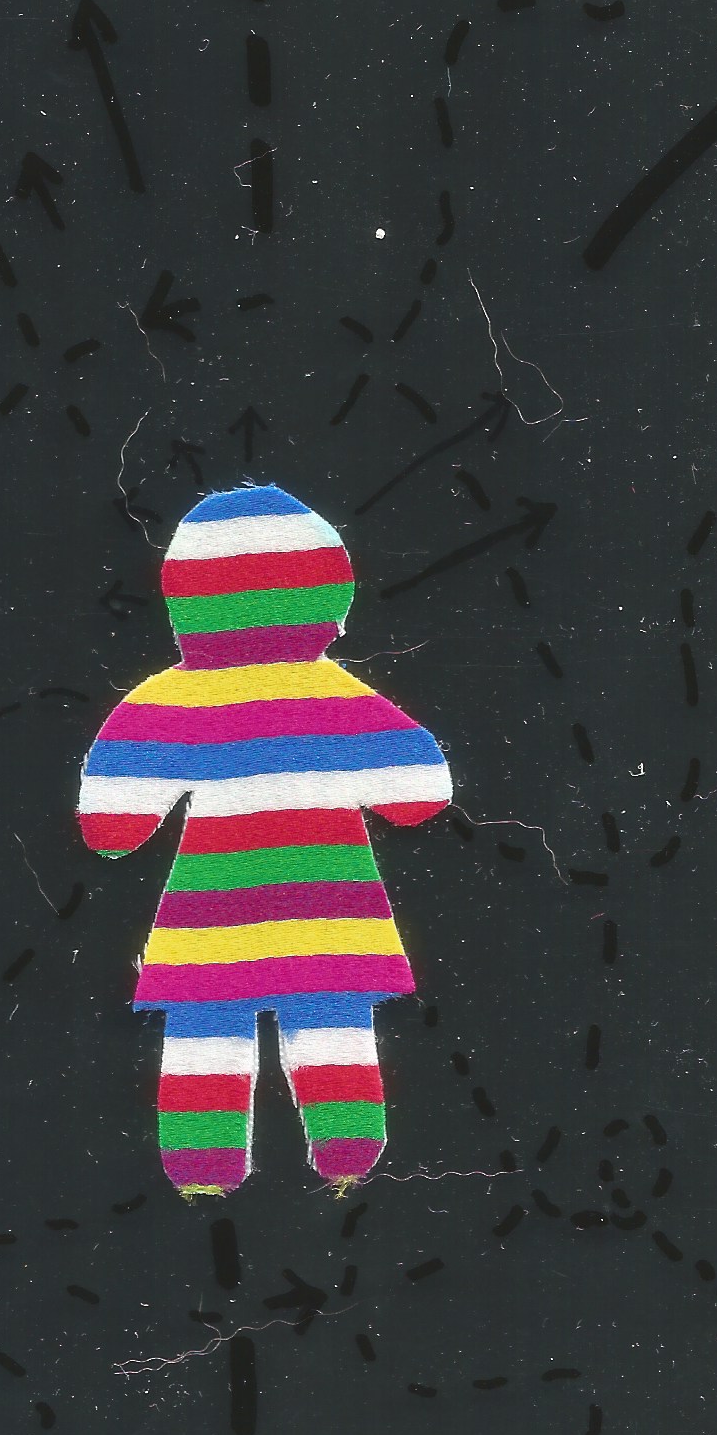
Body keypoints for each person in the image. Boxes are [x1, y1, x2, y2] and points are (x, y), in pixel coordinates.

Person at [78, 484, 453, 1195]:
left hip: (213, 908)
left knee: (206, 1027)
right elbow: (420, 793)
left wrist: (121, 827)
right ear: (327, 591)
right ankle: (348, 1156)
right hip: (330, 906)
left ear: (187, 599)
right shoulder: (337, 696)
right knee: (333, 1019)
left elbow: (111, 819)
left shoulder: (174, 698)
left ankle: (202, 1168)